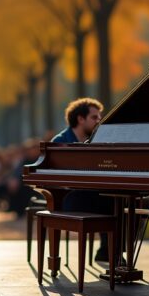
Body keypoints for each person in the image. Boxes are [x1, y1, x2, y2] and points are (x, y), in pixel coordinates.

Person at [51, 98, 113, 262]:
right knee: (114, 203)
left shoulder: (97, 142)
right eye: (94, 117)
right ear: (80, 119)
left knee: (125, 202)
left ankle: (110, 252)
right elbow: (54, 177)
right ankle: (110, 252)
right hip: (68, 198)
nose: (99, 121)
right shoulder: (60, 142)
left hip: (90, 194)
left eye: (100, 118)